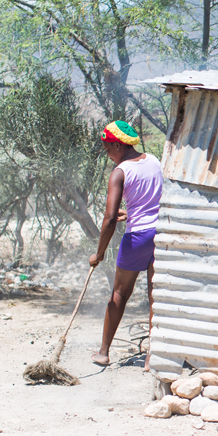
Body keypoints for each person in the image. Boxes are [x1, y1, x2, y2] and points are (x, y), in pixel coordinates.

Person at [89, 120, 163, 369]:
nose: (107, 153)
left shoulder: (120, 172)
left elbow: (109, 218)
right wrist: (130, 213)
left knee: (120, 293)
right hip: (161, 234)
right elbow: (152, 203)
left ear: (118, 145)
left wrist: (98, 254)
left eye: (107, 148)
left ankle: (103, 352)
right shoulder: (153, 160)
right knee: (156, 297)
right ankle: (153, 356)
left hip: (137, 239)